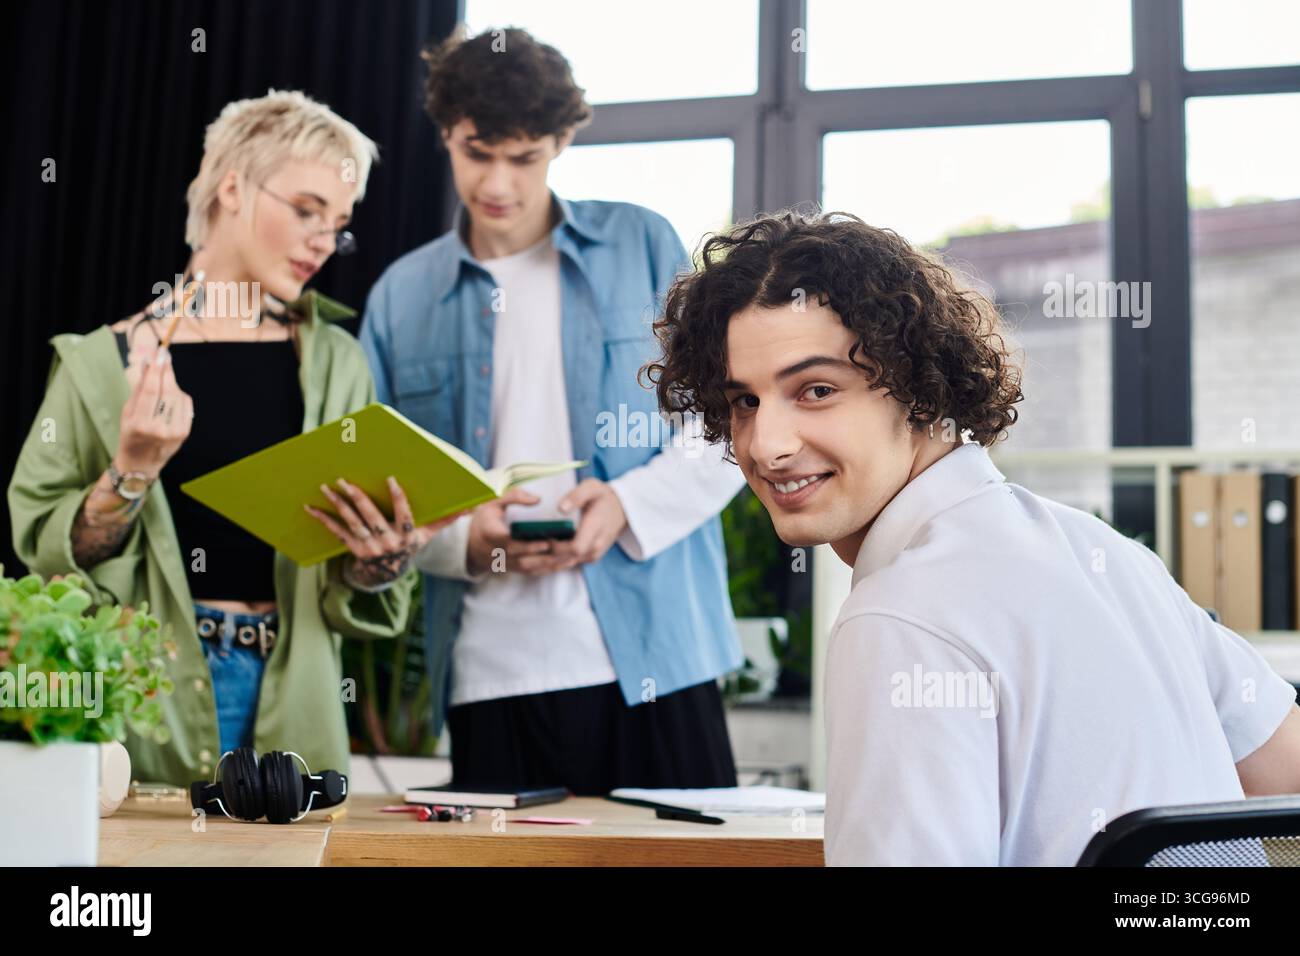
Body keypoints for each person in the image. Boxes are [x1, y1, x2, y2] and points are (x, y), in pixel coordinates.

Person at [645, 207, 1300, 865]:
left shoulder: (902, 617)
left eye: (816, 390)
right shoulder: (1107, 553)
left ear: (919, 389)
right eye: (745, 402)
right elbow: (1286, 772)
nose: (768, 444)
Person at [8, 90, 456, 786]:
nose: (322, 240)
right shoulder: (100, 363)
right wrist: (129, 471)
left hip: (297, 698)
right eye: (306, 210)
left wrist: (379, 561)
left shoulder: (335, 360)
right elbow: (49, 560)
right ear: (231, 187)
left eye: (337, 223)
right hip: (150, 702)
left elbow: (349, 583)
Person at [360, 27, 746, 794]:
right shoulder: (400, 296)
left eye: (524, 157)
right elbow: (379, 484)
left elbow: (734, 419)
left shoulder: (643, 242)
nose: (498, 182)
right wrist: (468, 538)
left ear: (562, 141)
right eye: (478, 153)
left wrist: (627, 506)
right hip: (490, 674)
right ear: (446, 134)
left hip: (659, 658)